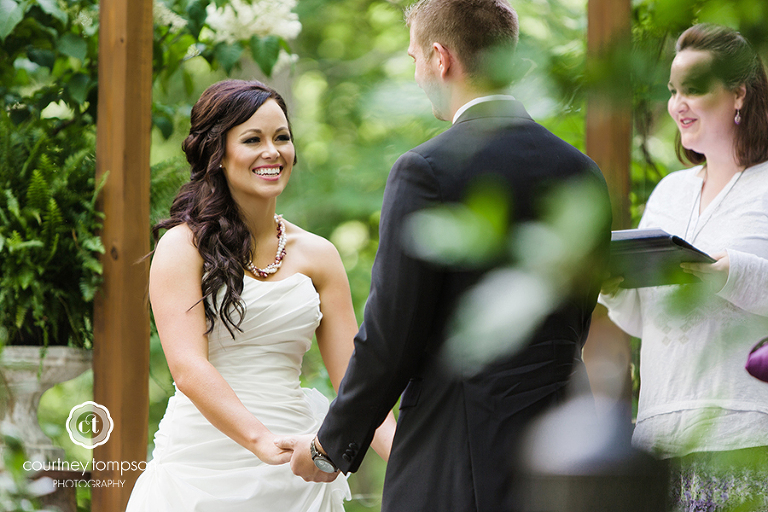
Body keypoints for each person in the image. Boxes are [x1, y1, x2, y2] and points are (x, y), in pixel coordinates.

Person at [275, 1, 611, 511]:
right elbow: (575, 322)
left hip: (461, 455)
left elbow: (391, 336)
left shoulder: (426, 171)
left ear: (440, 57)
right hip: (566, 449)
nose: (415, 74)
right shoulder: (582, 172)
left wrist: (328, 449)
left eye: (414, 58)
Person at [125, 80, 396, 512]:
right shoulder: (182, 247)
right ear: (218, 153)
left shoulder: (320, 255)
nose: (273, 151)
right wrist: (259, 440)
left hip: (295, 465)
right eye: (253, 139)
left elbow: (355, 380)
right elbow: (188, 367)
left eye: (282, 138)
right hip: (203, 463)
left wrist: (405, 458)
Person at [600, 23, 768, 510]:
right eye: (674, 91)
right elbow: (643, 320)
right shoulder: (669, 193)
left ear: (738, 94)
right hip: (661, 439)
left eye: (693, 89)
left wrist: (728, 275)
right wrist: (614, 288)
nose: (678, 104)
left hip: (745, 437)